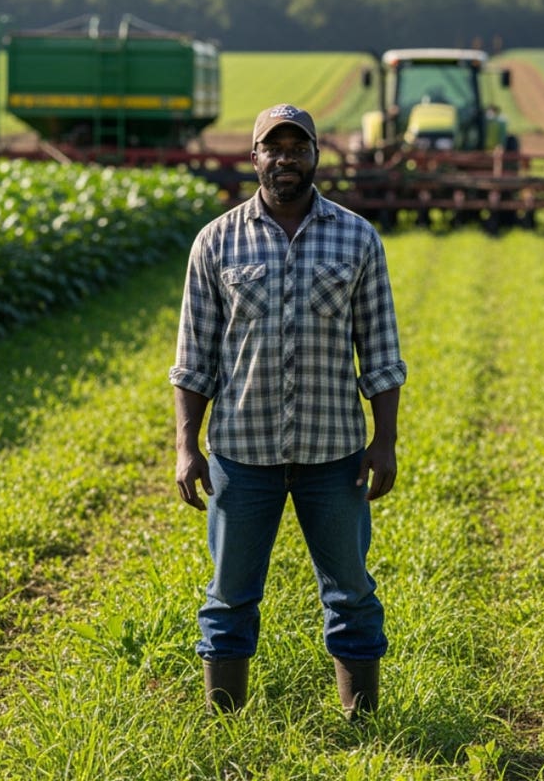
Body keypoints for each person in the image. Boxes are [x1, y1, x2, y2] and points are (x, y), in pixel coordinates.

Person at [170, 102, 407, 717]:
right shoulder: (216, 242)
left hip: (335, 456)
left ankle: (363, 720)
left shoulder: (357, 237)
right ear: (254, 159)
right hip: (242, 456)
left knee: (351, 591)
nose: (285, 159)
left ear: (315, 155)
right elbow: (193, 358)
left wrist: (385, 442)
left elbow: (380, 351)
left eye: (296, 147)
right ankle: (226, 722)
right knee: (228, 596)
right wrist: (185, 446)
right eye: (272, 149)